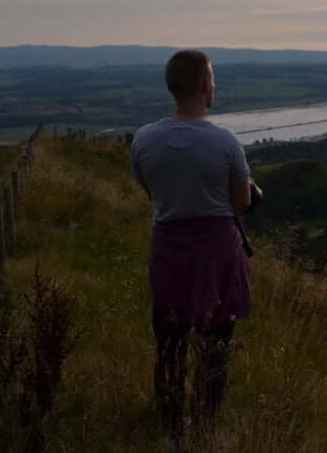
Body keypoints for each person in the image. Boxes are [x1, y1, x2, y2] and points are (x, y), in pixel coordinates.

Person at [130, 50, 252, 448]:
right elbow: (242, 203)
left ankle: (170, 431)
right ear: (204, 85)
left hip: (169, 250)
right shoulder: (225, 142)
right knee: (215, 346)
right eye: (212, 78)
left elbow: (151, 191)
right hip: (218, 253)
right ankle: (205, 429)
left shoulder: (144, 139)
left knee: (169, 343)